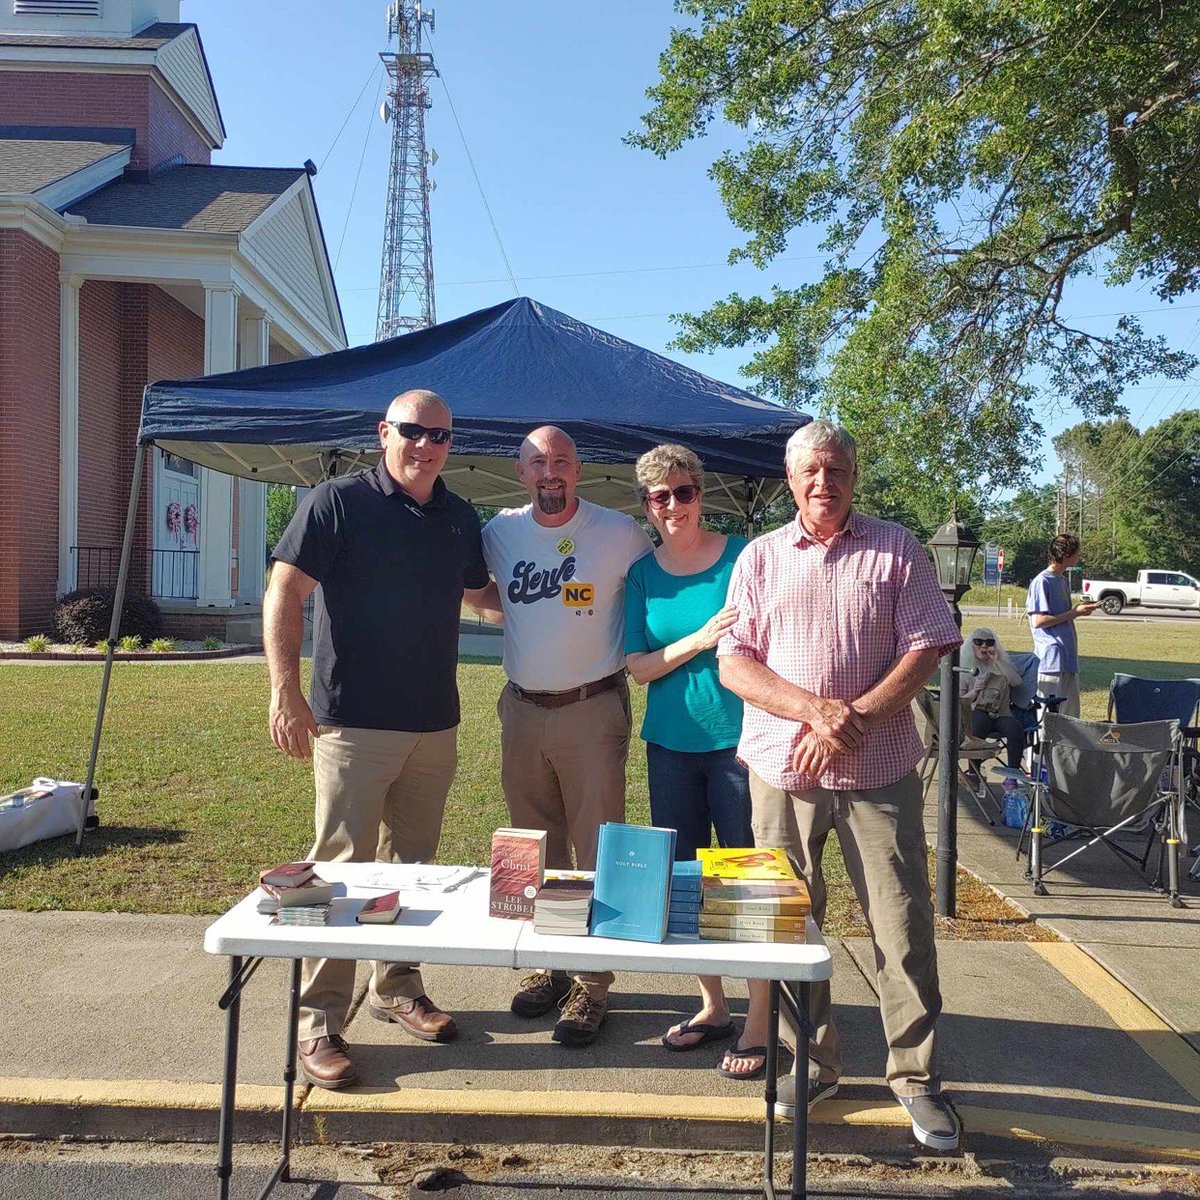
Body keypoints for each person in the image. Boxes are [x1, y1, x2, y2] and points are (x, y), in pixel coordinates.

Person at [717, 419, 964, 1151]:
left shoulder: (897, 548)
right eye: (809, 472)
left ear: (854, 475)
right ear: (790, 480)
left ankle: (915, 1078)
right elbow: (734, 661)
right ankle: (813, 1063)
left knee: (901, 925)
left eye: (836, 469)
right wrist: (816, 712)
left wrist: (858, 717)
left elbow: (929, 643)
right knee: (789, 924)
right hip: (781, 771)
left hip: (878, 768)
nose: (823, 482)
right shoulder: (760, 557)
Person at [265, 389, 500, 1090]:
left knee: (413, 870)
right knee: (338, 872)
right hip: (352, 721)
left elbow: (482, 597)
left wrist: (568, 600)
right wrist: (285, 690)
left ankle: (396, 986)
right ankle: (317, 1023)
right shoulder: (336, 502)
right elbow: (285, 591)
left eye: (440, 435)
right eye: (412, 431)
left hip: (435, 722)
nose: (425, 445)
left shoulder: (459, 516)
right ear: (384, 433)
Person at [482, 425, 652, 1048]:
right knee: (534, 846)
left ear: (578, 469)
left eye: (560, 461)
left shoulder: (620, 533)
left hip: (592, 707)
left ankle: (593, 983)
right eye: (536, 462)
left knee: (596, 843)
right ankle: (554, 964)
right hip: (521, 707)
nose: (549, 471)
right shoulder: (499, 532)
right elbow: (480, 592)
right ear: (520, 472)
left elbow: (656, 592)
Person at [622, 443, 771, 1080]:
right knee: (685, 879)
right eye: (662, 497)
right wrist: (701, 639)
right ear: (647, 506)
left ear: (700, 493)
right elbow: (638, 668)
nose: (675, 505)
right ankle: (712, 1004)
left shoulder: (743, 558)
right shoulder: (641, 575)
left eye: (684, 492)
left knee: (745, 880)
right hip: (670, 746)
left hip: (741, 743)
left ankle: (761, 1017)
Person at [1026, 534, 1098, 718]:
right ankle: (1042, 748)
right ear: (1066, 554)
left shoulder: (1063, 580)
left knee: (1071, 717)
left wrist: (1077, 612)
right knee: (1047, 716)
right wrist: (1074, 613)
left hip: (1068, 658)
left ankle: (1065, 748)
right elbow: (1039, 621)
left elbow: (1063, 616)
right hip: (1050, 660)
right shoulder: (1042, 581)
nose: (1079, 557)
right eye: (1077, 553)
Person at [960, 627, 1025, 768]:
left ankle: (1012, 774)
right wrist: (974, 692)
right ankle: (974, 773)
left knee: (1015, 728)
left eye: (989, 642)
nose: (984, 646)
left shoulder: (1001, 664)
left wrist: (998, 661)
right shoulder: (965, 669)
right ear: (971, 645)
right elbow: (959, 701)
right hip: (977, 713)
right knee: (978, 721)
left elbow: (1016, 682)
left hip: (1001, 714)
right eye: (978, 642)